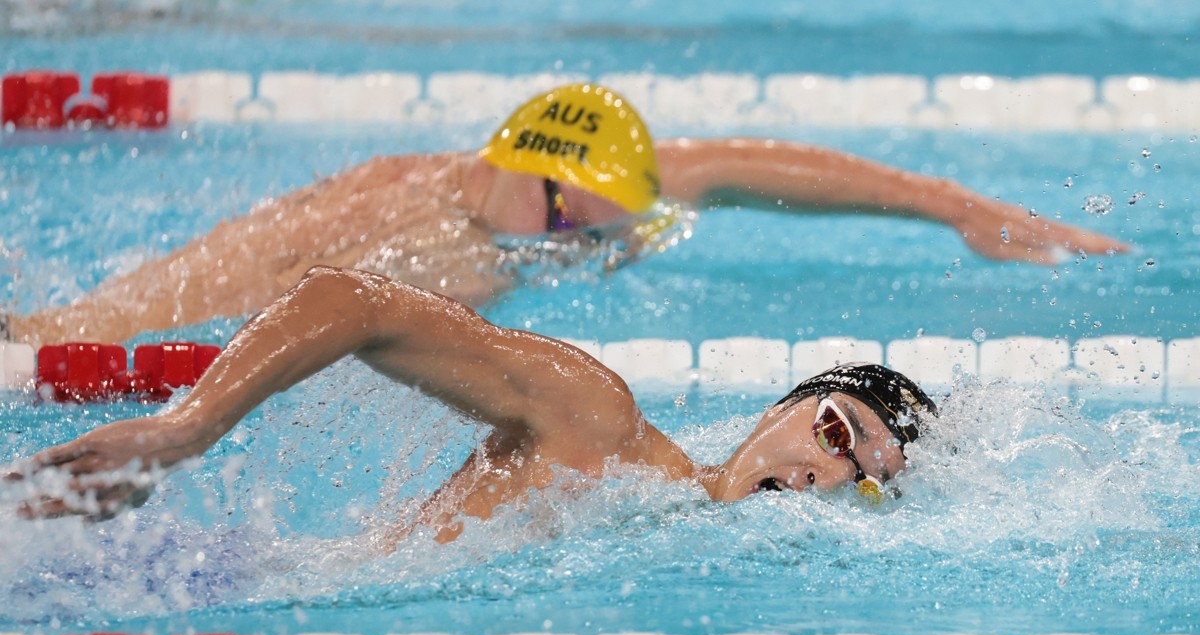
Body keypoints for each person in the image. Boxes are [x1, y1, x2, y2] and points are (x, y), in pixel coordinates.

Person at [4, 83, 1126, 347]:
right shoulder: (412, 232)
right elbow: (214, 318)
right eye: (577, 220)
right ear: (531, 174)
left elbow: (742, 164)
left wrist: (956, 208)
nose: (595, 240)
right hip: (122, 331)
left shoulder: (565, 183)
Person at [12, 266, 936, 548]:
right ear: (786, 405)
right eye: (835, 430)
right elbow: (348, 300)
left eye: (861, 485)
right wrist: (188, 428)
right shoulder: (601, 426)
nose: (824, 475)